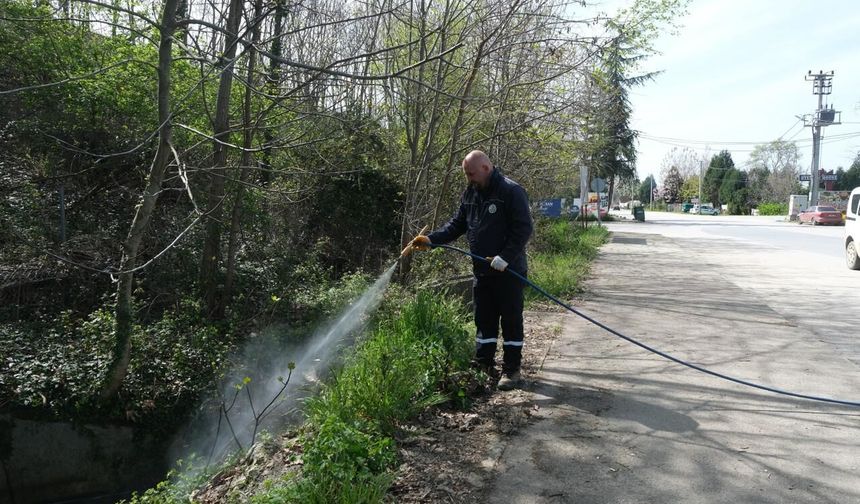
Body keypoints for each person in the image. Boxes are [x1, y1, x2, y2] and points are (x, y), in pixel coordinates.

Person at [410, 150, 533, 390]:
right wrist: (431, 240)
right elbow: (457, 225)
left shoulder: (511, 191)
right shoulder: (471, 193)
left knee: (510, 321)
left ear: (486, 168)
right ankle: (484, 363)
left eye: (472, 174)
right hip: (482, 272)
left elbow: (523, 229)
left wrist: (505, 257)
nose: (469, 178)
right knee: (484, 320)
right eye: (467, 174)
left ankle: (511, 370)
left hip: (508, 272)